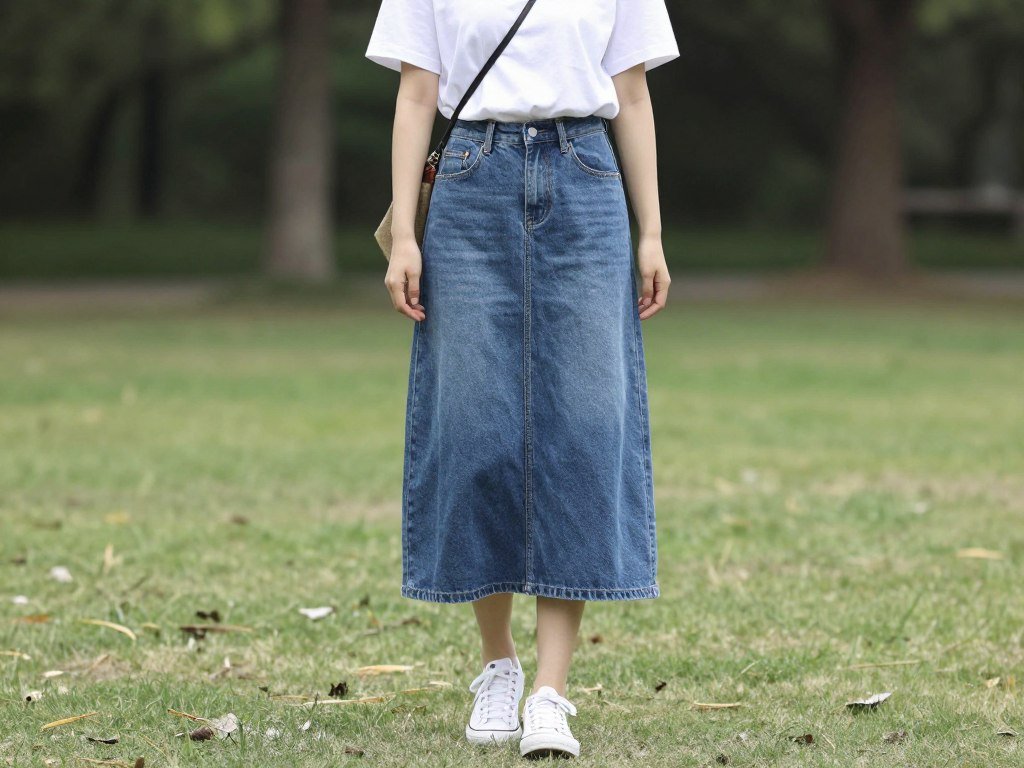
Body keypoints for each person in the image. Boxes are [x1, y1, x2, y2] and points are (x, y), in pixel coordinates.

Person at [365, 0, 678, 758]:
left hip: (586, 179)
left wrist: (652, 232)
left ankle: (551, 689)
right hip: (471, 182)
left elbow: (631, 94)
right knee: (476, 428)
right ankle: (497, 665)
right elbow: (415, 92)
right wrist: (404, 232)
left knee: (582, 429)